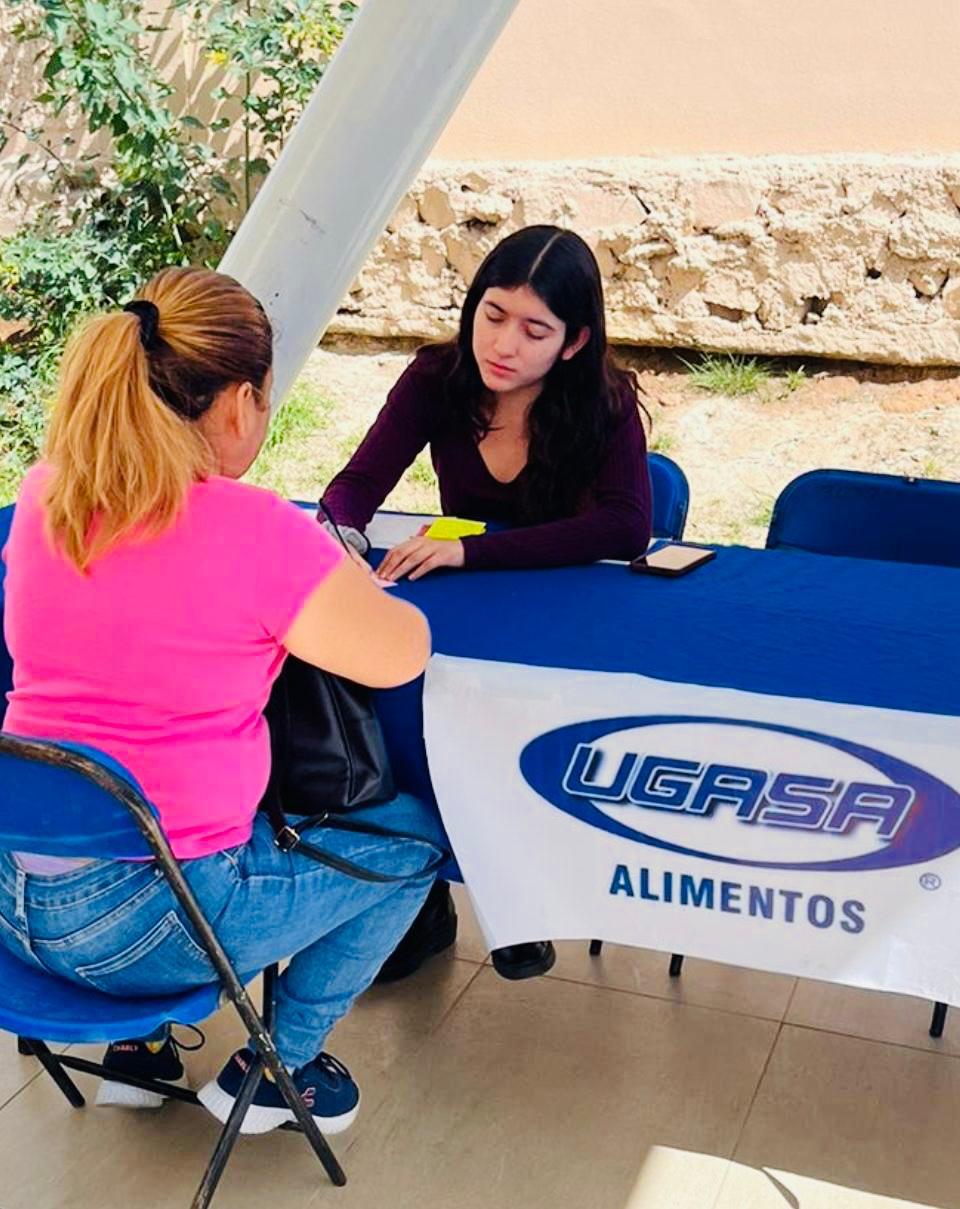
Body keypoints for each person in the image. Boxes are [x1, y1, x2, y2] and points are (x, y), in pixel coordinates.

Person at [0, 267, 443, 1137]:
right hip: (150, 926)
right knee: (414, 839)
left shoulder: (46, 493)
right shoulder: (257, 529)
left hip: (11, 902)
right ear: (240, 401)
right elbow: (402, 653)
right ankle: (282, 1067)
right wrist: (338, 567)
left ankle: (139, 1048)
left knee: (121, 801)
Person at [322, 225, 652, 983]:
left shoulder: (605, 401)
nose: (503, 344)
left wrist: (470, 550)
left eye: (535, 330)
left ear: (573, 343)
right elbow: (357, 483)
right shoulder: (437, 377)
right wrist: (338, 533)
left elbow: (626, 525)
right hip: (462, 607)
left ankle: (512, 897)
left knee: (510, 726)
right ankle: (420, 899)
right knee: (392, 706)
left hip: (556, 608)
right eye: (493, 315)